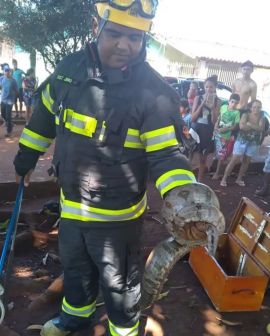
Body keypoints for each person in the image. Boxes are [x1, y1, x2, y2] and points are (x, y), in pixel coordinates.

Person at [13, 1, 221, 335]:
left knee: (121, 288)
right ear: (97, 28)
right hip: (72, 210)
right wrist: (26, 156)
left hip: (117, 223)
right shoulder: (68, 72)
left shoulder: (152, 94)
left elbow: (166, 156)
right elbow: (43, 119)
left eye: (134, 38)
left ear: (143, 40)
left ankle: (123, 331)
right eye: (115, 34)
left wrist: (185, 197)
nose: (124, 45)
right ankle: (74, 318)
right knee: (76, 272)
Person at [220, 100, 265, 187]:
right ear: (251, 108)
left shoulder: (261, 117)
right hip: (242, 140)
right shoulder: (245, 115)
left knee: (246, 161)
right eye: (254, 107)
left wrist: (250, 125)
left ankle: (239, 179)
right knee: (234, 159)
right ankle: (224, 178)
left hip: (253, 142)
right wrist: (255, 127)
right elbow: (242, 127)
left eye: (259, 107)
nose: (256, 109)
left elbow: (261, 129)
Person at [191, 75, 221, 182]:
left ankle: (199, 181)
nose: (209, 89)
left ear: (215, 87)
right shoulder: (198, 98)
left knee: (203, 158)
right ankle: (185, 178)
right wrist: (202, 103)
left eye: (211, 87)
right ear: (204, 87)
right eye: (207, 87)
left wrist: (212, 107)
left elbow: (214, 121)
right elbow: (193, 118)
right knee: (189, 155)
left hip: (207, 132)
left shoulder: (218, 101)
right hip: (196, 130)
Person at [212, 93, 240, 180]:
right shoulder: (223, 107)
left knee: (222, 155)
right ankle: (215, 170)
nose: (233, 104)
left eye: (236, 103)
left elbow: (235, 126)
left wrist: (226, 129)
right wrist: (216, 124)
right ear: (229, 101)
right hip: (217, 133)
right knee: (216, 152)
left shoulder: (237, 112)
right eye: (232, 102)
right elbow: (220, 117)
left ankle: (217, 173)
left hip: (226, 136)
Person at [0, 65, 18, 137]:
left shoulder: (13, 80)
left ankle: (9, 131)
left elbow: (16, 90)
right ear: (4, 72)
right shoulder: (1, 78)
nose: (7, 72)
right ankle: (10, 123)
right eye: (5, 71)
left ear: (10, 72)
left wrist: (13, 96)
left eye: (8, 71)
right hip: (3, 100)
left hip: (10, 101)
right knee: (3, 115)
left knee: (8, 116)